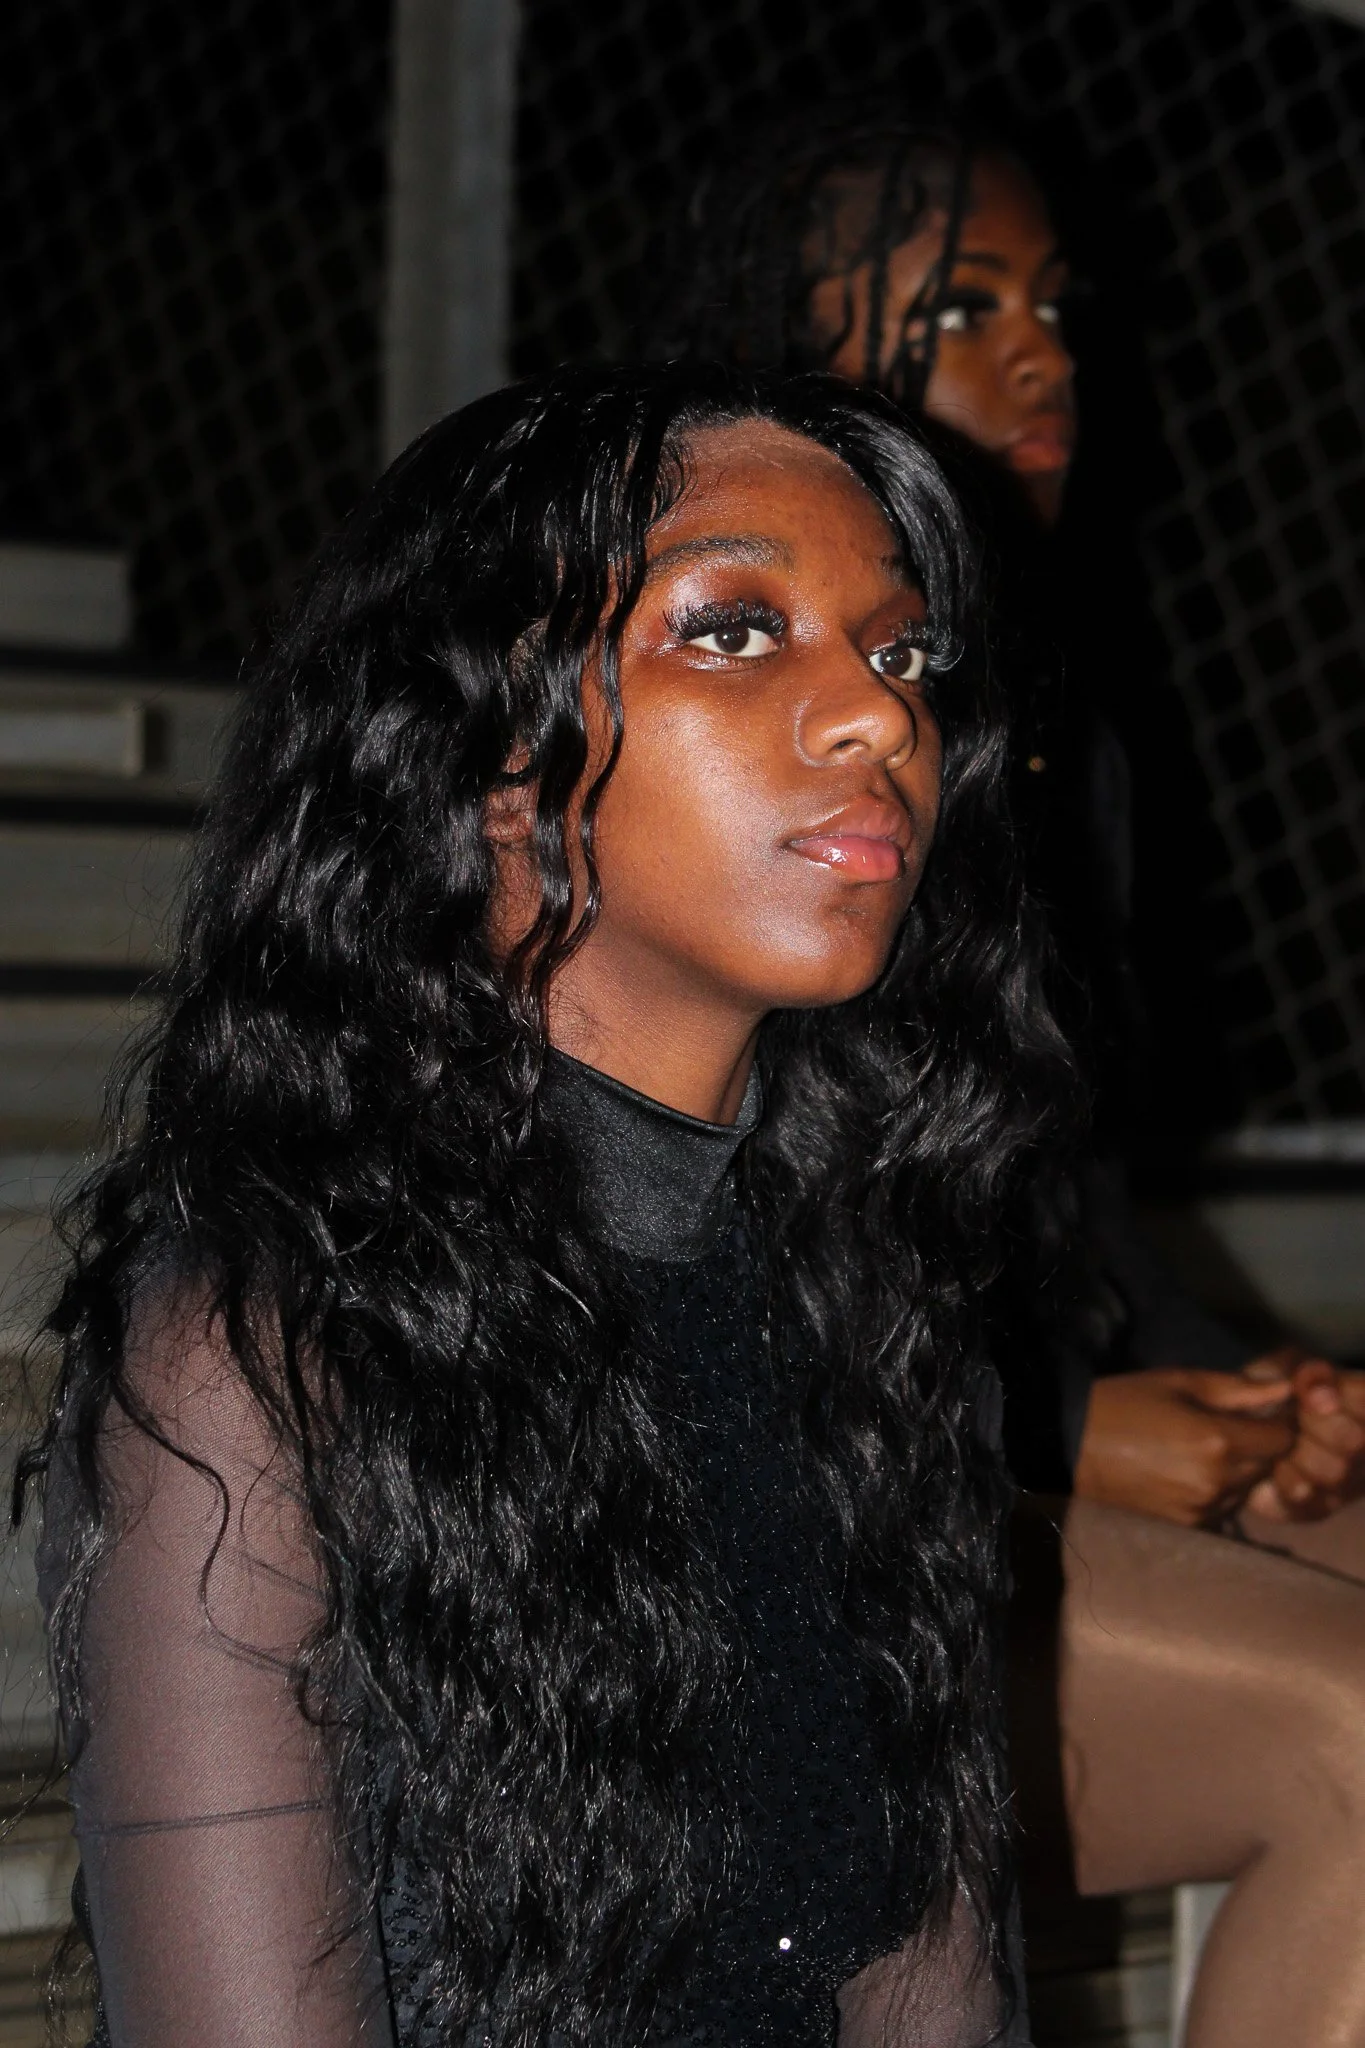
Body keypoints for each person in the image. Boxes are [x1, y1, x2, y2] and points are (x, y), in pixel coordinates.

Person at [19, 362, 1064, 2047]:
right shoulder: (259, 1356)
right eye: (733, 627)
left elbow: (933, 1996)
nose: (883, 715)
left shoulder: (873, 1319)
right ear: (488, 743)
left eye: (900, 652)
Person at [651, 110, 1365, 2048]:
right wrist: (1055, 1439)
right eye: (958, 308)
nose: (1037, 355)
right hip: (791, 1520)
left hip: (981, 1451)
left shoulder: (1055, 743)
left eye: (1051, 307)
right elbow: (691, 1226)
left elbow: (1059, 1194)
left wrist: (1247, 1385)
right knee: (1354, 1728)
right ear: (777, 339)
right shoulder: (696, 749)